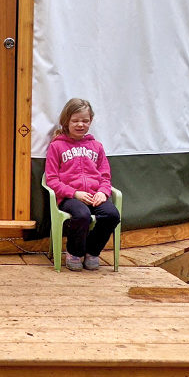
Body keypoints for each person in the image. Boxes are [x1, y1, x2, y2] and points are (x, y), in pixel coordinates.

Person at [44, 98, 120, 271]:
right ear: (66, 121)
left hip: (94, 194)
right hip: (70, 197)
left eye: (85, 121)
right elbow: (52, 180)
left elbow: (105, 176)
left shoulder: (96, 146)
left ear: (90, 121)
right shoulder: (57, 146)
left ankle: (92, 251)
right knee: (82, 215)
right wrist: (74, 193)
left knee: (112, 215)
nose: (80, 125)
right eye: (75, 120)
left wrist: (103, 192)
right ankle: (75, 252)